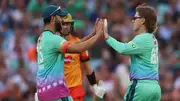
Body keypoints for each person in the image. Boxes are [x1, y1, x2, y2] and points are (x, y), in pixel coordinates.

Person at [36, 5, 105, 101]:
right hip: (55, 92)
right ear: (52, 18)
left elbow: (76, 43)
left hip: (48, 90)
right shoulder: (54, 39)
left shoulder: (42, 37)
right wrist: (97, 35)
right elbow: (77, 48)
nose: (62, 21)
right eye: (59, 17)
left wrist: (92, 34)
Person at [103, 4, 161, 101]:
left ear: (142, 21)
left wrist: (107, 37)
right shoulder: (153, 38)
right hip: (155, 86)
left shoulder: (142, 38)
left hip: (141, 87)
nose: (132, 20)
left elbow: (123, 49)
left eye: (135, 18)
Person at [58, 13, 102, 101]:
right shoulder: (54, 43)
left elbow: (87, 68)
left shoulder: (78, 42)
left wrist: (95, 87)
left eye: (68, 24)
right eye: (63, 24)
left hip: (75, 90)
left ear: (71, 25)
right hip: (59, 90)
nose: (65, 27)